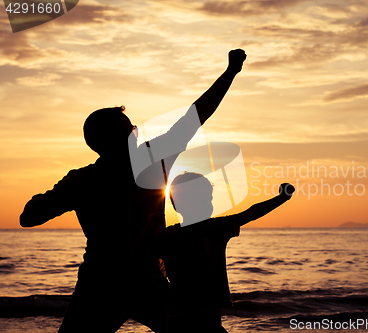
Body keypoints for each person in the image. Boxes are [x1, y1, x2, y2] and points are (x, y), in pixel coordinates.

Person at [19, 49, 247, 333]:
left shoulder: (81, 181)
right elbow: (196, 116)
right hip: (139, 283)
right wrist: (231, 72)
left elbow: (28, 217)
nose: (138, 134)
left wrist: (47, 198)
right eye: (132, 131)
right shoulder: (153, 160)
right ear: (119, 138)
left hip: (102, 284)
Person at [146, 172, 295, 333]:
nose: (210, 203)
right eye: (205, 199)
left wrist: (149, 228)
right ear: (186, 203)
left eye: (209, 199)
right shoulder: (214, 228)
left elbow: (140, 256)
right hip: (197, 314)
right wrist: (282, 198)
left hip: (179, 314)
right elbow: (251, 213)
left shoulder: (169, 234)